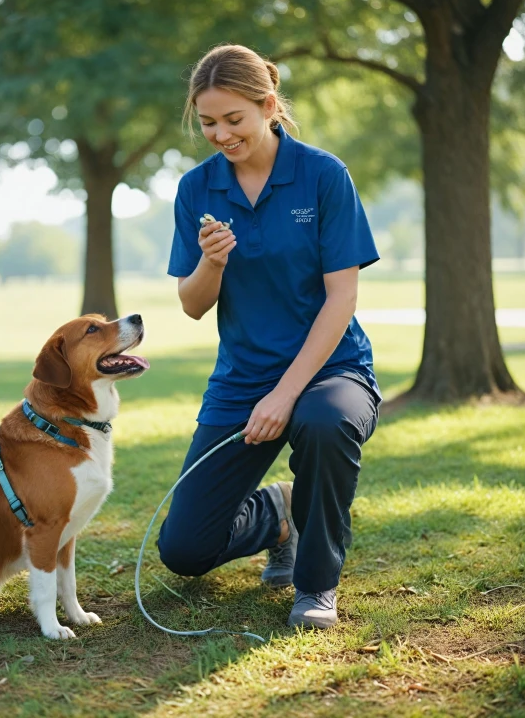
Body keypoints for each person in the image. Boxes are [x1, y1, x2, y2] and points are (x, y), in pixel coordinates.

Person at [157, 44, 382, 629]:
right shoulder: (196, 189)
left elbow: (342, 298)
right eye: (208, 122)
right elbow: (191, 305)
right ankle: (278, 514)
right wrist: (211, 264)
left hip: (332, 370)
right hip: (241, 380)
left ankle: (315, 586)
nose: (221, 133)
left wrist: (284, 396)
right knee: (183, 550)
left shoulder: (322, 175)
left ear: (269, 105)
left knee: (323, 421)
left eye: (234, 119)